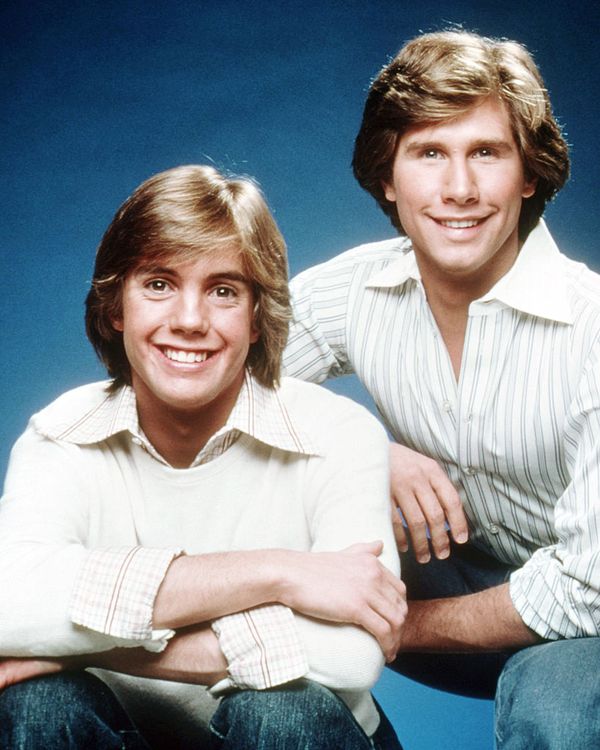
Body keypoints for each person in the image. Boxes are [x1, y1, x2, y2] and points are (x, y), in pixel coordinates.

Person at [0, 165, 407, 749]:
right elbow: (9, 607)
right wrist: (278, 574)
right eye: (159, 285)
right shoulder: (60, 436)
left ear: (257, 318)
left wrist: (80, 646)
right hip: (120, 737)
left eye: (223, 291)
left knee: (283, 710)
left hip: (303, 738)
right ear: (116, 308)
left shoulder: (338, 434)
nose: (190, 321)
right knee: (37, 704)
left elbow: (352, 656)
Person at [284, 29, 600, 749]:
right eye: (430, 153)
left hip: (586, 621)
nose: (459, 189)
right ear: (388, 177)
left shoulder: (592, 330)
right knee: (257, 540)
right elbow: (213, 385)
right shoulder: (358, 288)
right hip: (452, 574)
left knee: (554, 710)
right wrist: (363, 450)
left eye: (486, 153)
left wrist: (390, 621)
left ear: (528, 174)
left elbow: (588, 590)